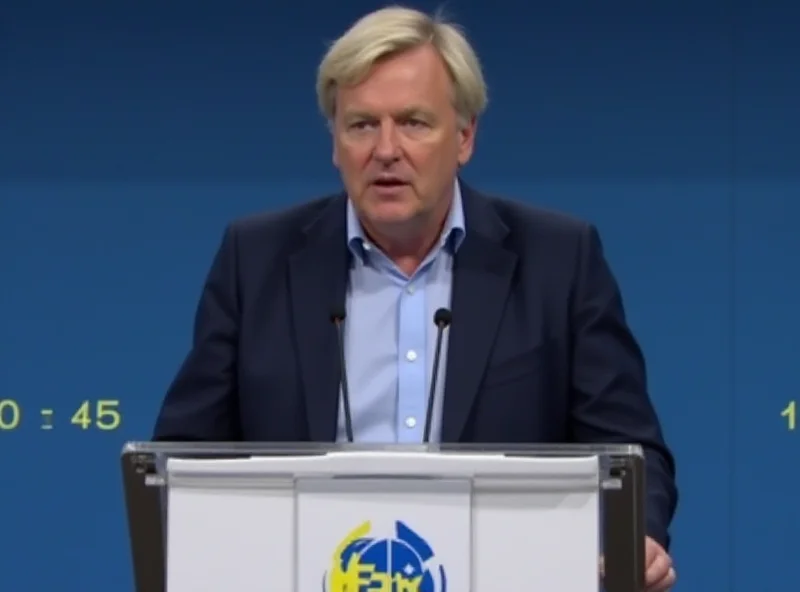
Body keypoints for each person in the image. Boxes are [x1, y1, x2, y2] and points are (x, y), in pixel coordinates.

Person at [152, 6, 678, 590]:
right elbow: (184, 457)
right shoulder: (257, 259)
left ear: (465, 137)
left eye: (414, 122)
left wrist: (640, 534)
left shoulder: (559, 259)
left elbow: (628, 451)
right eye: (361, 125)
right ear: (335, 142)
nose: (386, 149)